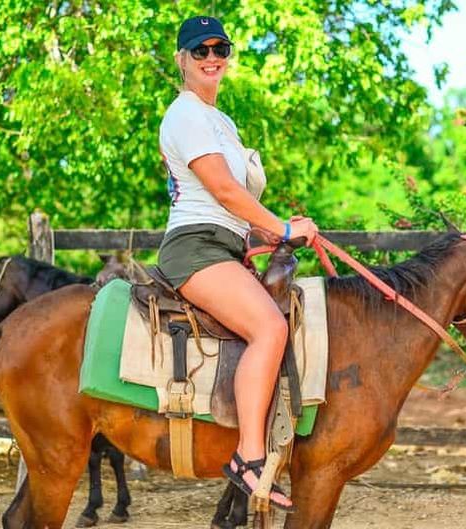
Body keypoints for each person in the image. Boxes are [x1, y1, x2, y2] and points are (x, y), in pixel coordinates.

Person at [157, 16, 318, 511]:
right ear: (181, 60)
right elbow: (224, 190)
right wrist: (285, 230)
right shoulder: (184, 115)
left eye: (219, 49)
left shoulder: (220, 121)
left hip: (226, 245)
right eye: (199, 50)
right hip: (196, 247)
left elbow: (235, 200)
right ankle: (248, 459)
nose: (211, 58)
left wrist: (270, 229)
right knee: (269, 329)